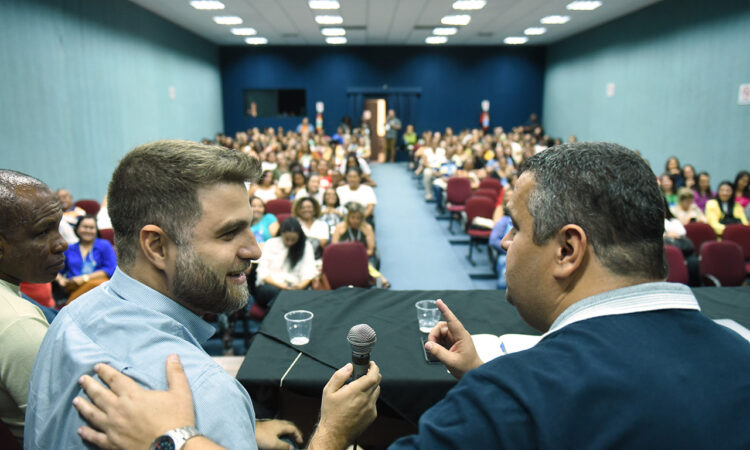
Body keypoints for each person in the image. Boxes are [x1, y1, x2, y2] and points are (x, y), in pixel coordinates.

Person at [70, 142, 750, 449]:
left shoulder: (509, 402)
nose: (502, 242)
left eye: (516, 230)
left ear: (568, 251)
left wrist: (178, 441)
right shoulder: (740, 356)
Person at [25, 140, 380, 450]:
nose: (255, 250)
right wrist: (332, 434)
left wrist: (236, 433)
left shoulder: (68, 321)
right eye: (229, 234)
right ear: (157, 246)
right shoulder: (207, 394)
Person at [0, 170, 67, 445]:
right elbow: (66, 434)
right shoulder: (19, 323)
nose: (62, 243)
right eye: (42, 232)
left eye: (58, 226)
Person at [254, 217, 318, 310]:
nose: (289, 242)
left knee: (289, 297)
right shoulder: (271, 243)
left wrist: (300, 286)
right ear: (281, 233)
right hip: (272, 286)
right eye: (287, 239)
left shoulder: (306, 246)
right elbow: (262, 272)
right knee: (278, 295)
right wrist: (281, 286)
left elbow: (309, 272)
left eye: (293, 239)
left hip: (295, 287)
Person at [55, 215, 117, 303]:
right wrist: (61, 280)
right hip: (74, 288)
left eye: (91, 228)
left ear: (96, 231)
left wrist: (85, 278)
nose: (88, 230)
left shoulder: (104, 245)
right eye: (85, 227)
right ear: (77, 229)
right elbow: (56, 270)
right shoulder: (69, 249)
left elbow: (111, 269)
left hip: (98, 289)